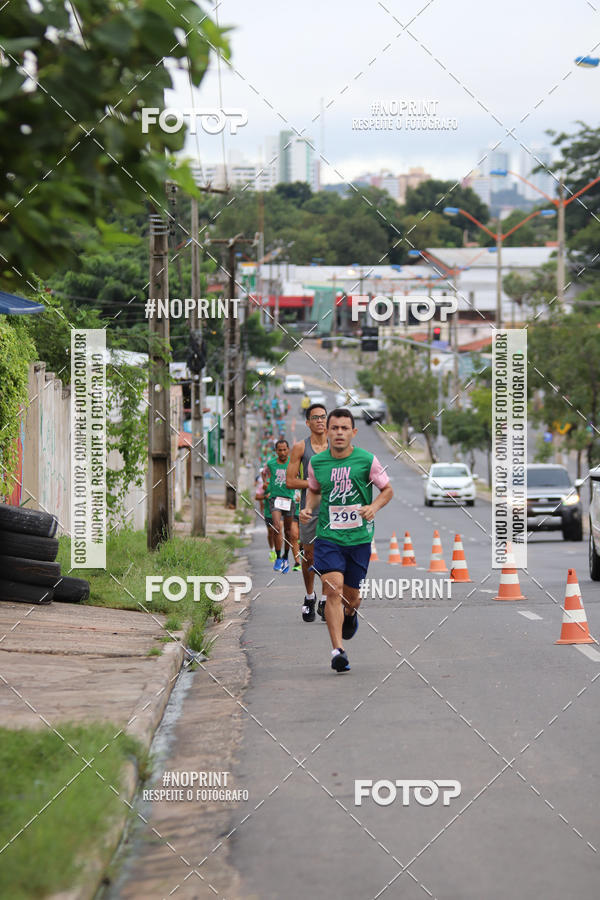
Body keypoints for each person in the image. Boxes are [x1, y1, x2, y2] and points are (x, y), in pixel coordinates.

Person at [300, 408, 393, 672]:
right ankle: (337, 650)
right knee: (332, 589)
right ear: (326, 431)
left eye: (344, 428)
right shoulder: (317, 463)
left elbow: (387, 490)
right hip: (328, 536)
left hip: (359, 539)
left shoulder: (367, 460)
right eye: (334, 428)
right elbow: (316, 492)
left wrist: (373, 507)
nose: (339, 432)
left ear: (353, 432)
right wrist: (309, 508)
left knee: (351, 598)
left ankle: (350, 614)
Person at [286, 403, 328, 622]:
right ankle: (310, 596)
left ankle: (325, 600)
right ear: (308, 422)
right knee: (309, 556)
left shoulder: (336, 446)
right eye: (315, 417)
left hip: (332, 511)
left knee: (331, 555)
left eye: (323, 417)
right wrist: (313, 483)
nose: (320, 421)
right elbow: (290, 480)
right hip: (309, 510)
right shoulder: (301, 448)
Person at [263, 439, 295, 573]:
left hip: (289, 499)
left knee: (288, 531)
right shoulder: (271, 464)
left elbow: (300, 476)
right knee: (277, 528)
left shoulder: (293, 463)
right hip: (275, 499)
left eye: (284, 449)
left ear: (288, 450)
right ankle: (277, 558)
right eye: (279, 450)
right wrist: (267, 485)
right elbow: (264, 473)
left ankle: (286, 556)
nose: (282, 452)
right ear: (276, 451)